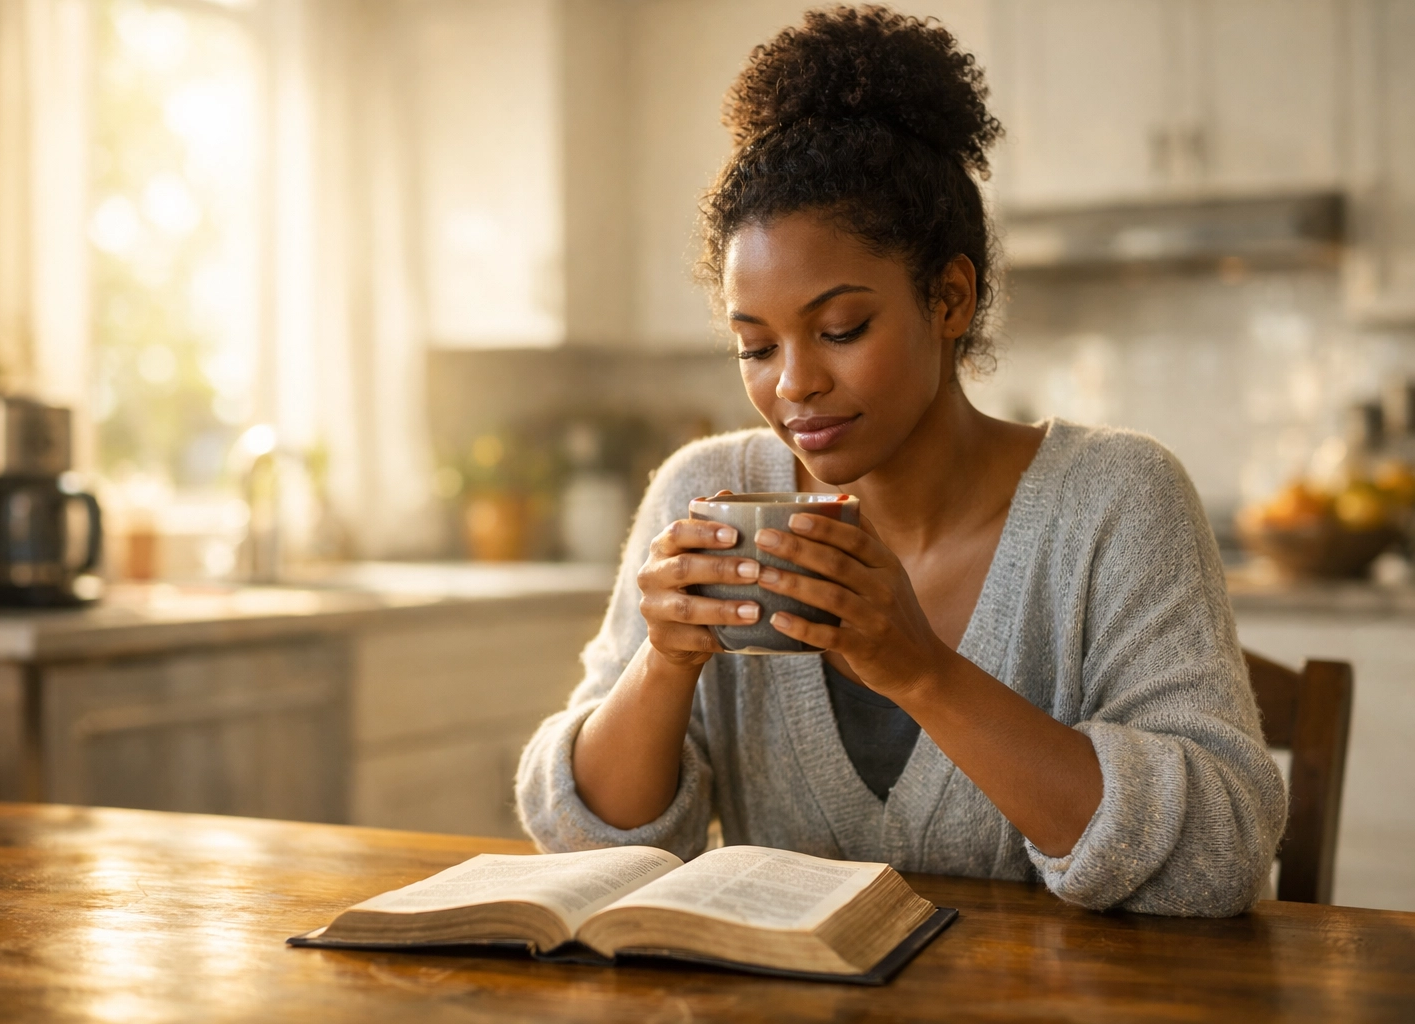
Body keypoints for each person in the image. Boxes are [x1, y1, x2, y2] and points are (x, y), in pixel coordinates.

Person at [516, 6, 1285, 916]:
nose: (794, 384)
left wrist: (921, 671)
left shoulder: (1115, 500)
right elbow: (580, 843)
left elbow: (1220, 857)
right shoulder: (703, 492)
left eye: (841, 329)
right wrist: (665, 665)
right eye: (755, 347)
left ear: (950, 297)